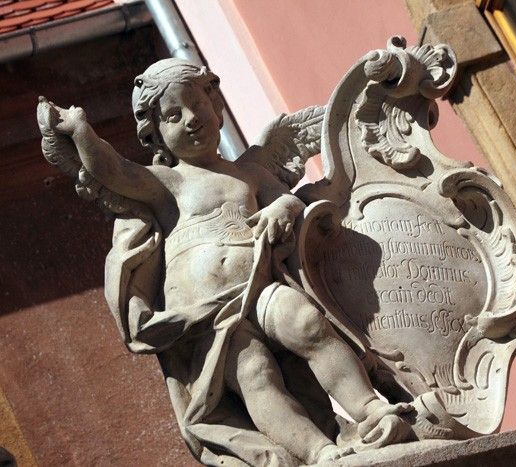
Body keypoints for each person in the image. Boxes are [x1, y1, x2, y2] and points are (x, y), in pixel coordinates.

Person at [41, 58, 412, 466]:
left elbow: (290, 201)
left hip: (259, 284)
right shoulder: (165, 183)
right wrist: (81, 130)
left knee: (307, 323)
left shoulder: (249, 174)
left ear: (215, 105)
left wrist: (282, 208)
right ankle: (319, 451)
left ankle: (370, 411)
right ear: (156, 135)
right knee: (255, 374)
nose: (190, 119)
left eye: (197, 104)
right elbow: (111, 170)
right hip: (205, 317)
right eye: (172, 116)